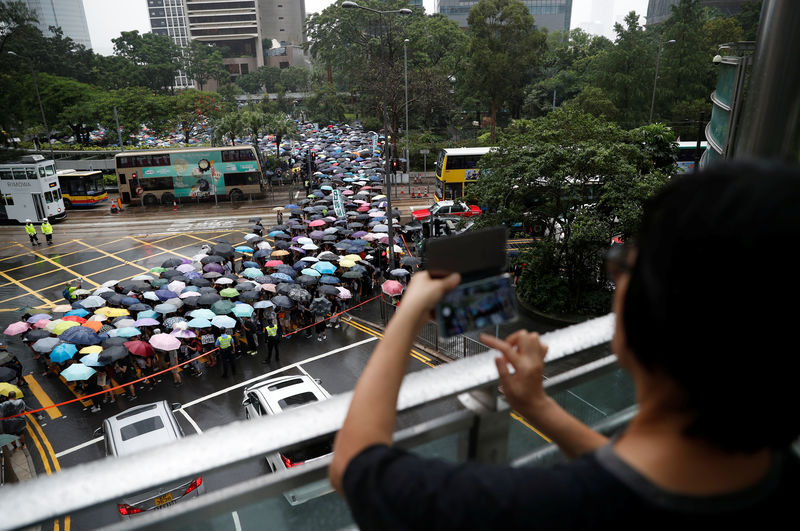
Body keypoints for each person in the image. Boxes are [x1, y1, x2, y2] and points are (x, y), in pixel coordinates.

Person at [328, 162, 800, 529]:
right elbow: (637, 483)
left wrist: (408, 312)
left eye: (625, 265)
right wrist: (538, 407)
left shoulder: (539, 508)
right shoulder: (771, 467)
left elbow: (353, 464)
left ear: (657, 308)